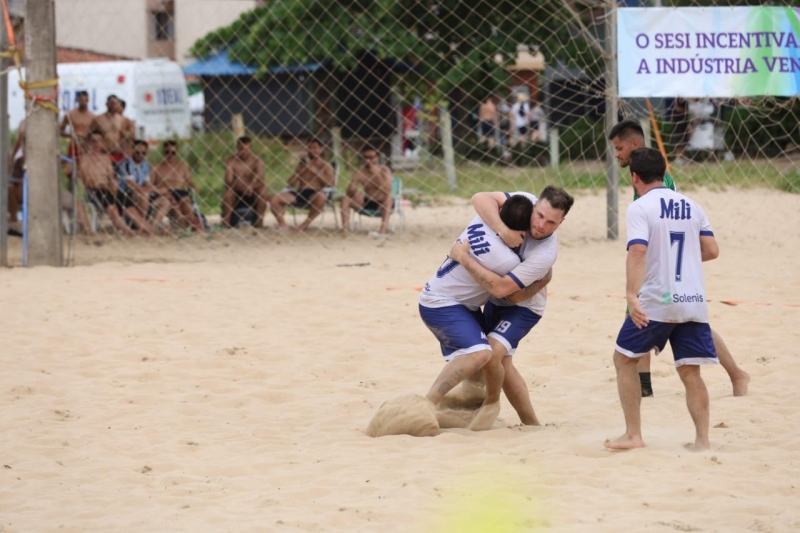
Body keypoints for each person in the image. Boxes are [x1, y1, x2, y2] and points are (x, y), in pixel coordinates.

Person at [608, 119, 749, 397]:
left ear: (635, 145)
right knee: (655, 319)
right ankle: (646, 387)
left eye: (619, 147)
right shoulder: (644, 171)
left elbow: (672, 221)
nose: (617, 154)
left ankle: (736, 374)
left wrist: (669, 258)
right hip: (659, 264)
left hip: (667, 269)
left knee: (646, 317)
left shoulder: (658, 181)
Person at [606, 148, 720, 451]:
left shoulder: (640, 207)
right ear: (664, 173)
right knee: (689, 371)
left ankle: (633, 434)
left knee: (623, 359)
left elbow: (638, 251)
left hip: (659, 300)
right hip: (693, 299)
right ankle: (702, 442)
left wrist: (632, 296)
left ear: (634, 177)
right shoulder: (692, 205)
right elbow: (711, 251)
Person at [448, 186, 574, 426]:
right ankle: (531, 424)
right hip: (496, 300)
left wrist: (463, 258)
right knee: (497, 362)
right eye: (539, 216)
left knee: (494, 354)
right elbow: (478, 197)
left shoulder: (545, 253)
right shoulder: (524, 201)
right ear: (535, 205)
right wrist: (502, 229)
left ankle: (490, 405)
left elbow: (511, 294)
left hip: (523, 307)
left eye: (551, 222)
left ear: (561, 222)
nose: (540, 225)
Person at [419, 195, 535, 431]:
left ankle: (462, 409)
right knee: (481, 354)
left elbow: (482, 197)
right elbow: (513, 292)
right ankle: (426, 404)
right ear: (521, 233)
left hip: (456, 302)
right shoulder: (506, 260)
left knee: (495, 361)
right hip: (441, 304)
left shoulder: (483, 219)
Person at [78, 131, 141, 236]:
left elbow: (111, 177)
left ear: (103, 143)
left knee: (130, 207)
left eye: (99, 141)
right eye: (93, 141)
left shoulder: (106, 158)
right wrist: (104, 184)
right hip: (94, 191)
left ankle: (149, 229)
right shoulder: (84, 159)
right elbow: (87, 181)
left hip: (108, 189)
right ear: (88, 143)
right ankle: (127, 230)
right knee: (112, 208)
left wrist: (113, 184)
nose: (96, 144)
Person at [270, 138, 335, 231]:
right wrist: (298, 173)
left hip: (314, 194)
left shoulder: (325, 165)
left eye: (315, 148)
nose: (312, 150)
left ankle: (304, 225)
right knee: (274, 198)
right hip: (299, 193)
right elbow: (290, 184)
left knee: (321, 197)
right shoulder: (302, 164)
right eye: (309, 148)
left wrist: (315, 171)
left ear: (321, 149)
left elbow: (331, 184)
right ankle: (282, 223)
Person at [116, 140, 171, 232]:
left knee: (166, 202)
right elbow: (133, 185)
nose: (140, 155)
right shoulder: (126, 164)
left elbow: (147, 183)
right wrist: (152, 191)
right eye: (137, 152)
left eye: (143, 153)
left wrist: (158, 191)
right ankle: (142, 226)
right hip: (127, 197)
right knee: (144, 194)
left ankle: (151, 226)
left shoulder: (145, 164)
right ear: (132, 150)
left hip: (142, 196)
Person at [152, 140, 204, 232]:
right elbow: (150, 185)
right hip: (165, 194)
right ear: (163, 153)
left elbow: (189, 181)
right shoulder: (156, 167)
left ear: (177, 153)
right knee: (175, 207)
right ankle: (188, 226)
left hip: (181, 193)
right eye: (167, 152)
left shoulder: (182, 165)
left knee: (186, 202)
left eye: (173, 152)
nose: (170, 155)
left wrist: (194, 187)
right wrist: (160, 192)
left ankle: (190, 224)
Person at [340, 146, 392, 236]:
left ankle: (383, 230)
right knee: (345, 198)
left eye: (371, 157)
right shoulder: (360, 171)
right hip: (367, 201)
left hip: (381, 203)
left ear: (377, 158)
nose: (368, 160)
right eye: (365, 157)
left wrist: (376, 174)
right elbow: (349, 193)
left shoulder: (384, 170)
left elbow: (387, 190)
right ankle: (345, 231)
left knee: (388, 198)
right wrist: (354, 183)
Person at [221, 136, 269, 228]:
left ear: (251, 148)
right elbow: (228, 182)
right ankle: (226, 224)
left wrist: (251, 187)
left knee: (263, 190)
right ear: (237, 148)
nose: (244, 152)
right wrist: (241, 187)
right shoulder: (230, 161)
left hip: (250, 191)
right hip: (236, 191)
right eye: (241, 149)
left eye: (246, 149)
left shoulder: (257, 161)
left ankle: (260, 223)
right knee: (228, 192)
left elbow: (261, 181)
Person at [89, 95, 129, 170]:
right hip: (103, 154)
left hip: (117, 154)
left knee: (117, 178)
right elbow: (89, 135)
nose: (113, 105)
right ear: (106, 104)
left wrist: (124, 152)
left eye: (115, 103)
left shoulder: (122, 120)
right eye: (111, 103)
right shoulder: (98, 119)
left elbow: (123, 137)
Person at [60, 90, 96, 172]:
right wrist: (71, 135)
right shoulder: (70, 114)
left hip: (87, 146)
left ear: (88, 100)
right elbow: (60, 131)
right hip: (74, 144)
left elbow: (97, 133)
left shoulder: (93, 117)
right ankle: (71, 183)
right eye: (80, 99)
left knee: (85, 171)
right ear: (77, 100)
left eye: (85, 99)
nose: (83, 101)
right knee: (69, 170)